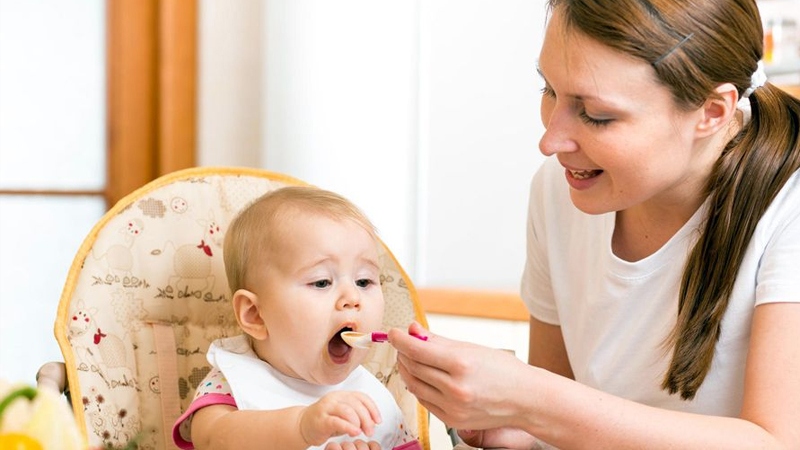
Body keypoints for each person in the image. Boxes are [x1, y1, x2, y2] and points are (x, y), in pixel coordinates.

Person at [389, 0, 800, 448]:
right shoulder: (560, 191)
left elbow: (776, 442)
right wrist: (514, 426)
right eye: (548, 90)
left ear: (712, 113)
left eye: (597, 115)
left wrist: (530, 400)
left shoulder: (788, 210)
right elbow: (560, 424)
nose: (550, 141)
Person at [172, 187, 421, 450]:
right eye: (322, 282)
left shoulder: (373, 396)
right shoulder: (233, 383)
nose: (352, 298)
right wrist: (300, 426)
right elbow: (212, 440)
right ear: (255, 315)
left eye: (364, 281)